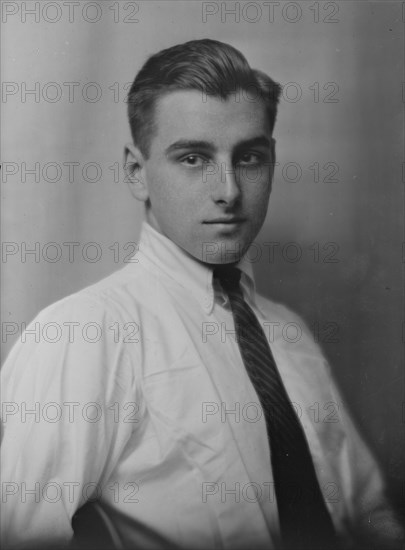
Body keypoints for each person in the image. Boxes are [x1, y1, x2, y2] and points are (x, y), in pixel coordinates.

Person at [1, 39, 403, 550]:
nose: (229, 191)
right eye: (193, 158)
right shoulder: (84, 334)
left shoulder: (291, 336)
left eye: (250, 157)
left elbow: (367, 514)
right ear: (135, 171)